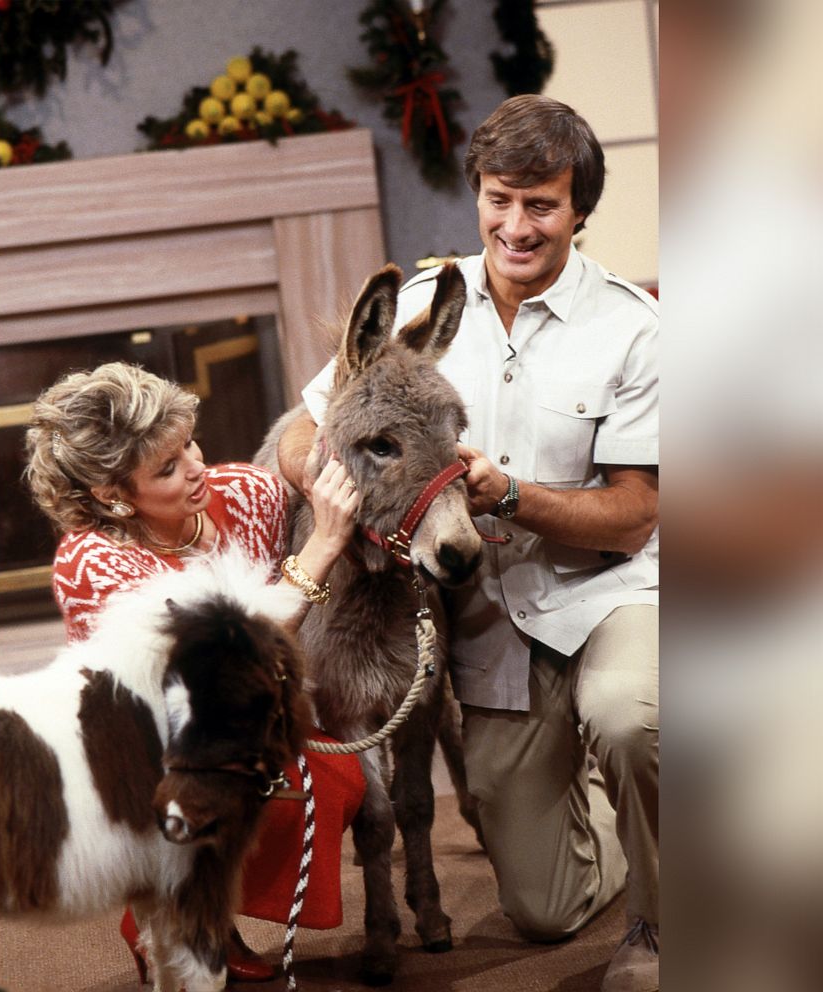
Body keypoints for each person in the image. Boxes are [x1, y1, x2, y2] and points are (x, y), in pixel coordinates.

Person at [278, 95, 659, 992]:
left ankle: (662, 915)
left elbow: (637, 512)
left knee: (629, 715)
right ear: (479, 195)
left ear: (579, 210)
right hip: (489, 616)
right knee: (542, 908)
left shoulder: (634, 329)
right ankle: (615, 818)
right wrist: (332, 495)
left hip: (606, 595)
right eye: (500, 199)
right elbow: (307, 429)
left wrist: (513, 496)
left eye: (542, 205)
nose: (515, 225)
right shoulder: (421, 306)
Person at [24, 361, 365, 984]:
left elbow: (308, 452)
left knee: (339, 773)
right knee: (249, 791)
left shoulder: (245, 494)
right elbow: (216, 667)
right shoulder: (90, 562)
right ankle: (172, 908)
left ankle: (205, 906)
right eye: (167, 467)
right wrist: (318, 551)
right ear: (111, 495)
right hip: (149, 751)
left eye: (190, 444)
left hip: (242, 720)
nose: (197, 467)